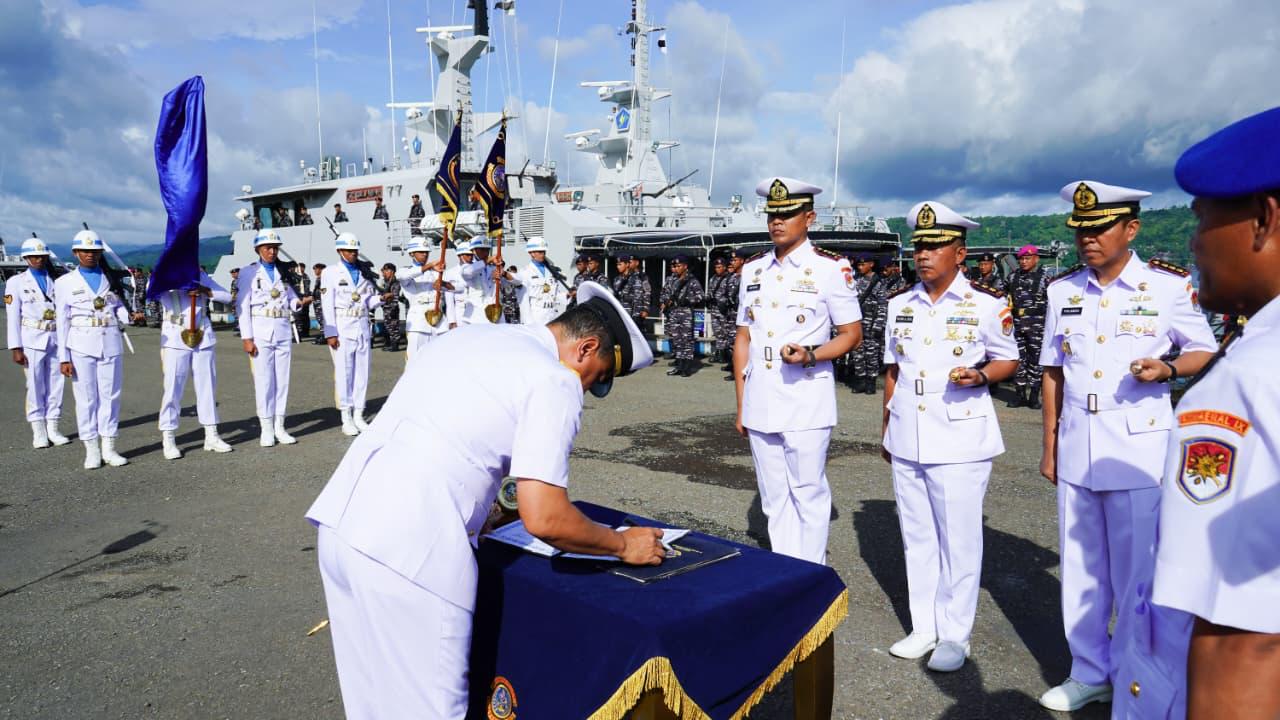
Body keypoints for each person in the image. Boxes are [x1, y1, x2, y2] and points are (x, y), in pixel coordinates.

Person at [304, 281, 663, 719]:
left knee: (373, 707)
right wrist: (623, 544)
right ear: (586, 348)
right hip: (412, 551)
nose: (590, 389)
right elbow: (546, 518)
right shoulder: (554, 379)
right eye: (601, 378)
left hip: (344, 525)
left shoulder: (469, 336)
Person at [1036, 180, 1215, 712]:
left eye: (1099, 229)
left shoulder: (1166, 287)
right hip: (1077, 442)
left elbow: (1204, 350)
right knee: (1081, 570)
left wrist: (1168, 368)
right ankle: (1089, 671)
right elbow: (1053, 372)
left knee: (1139, 574)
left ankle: (1137, 681)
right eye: (1081, 230)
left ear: (1131, 229)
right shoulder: (1063, 291)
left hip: (1138, 448)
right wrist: (1049, 443)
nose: (1087, 239)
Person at [1129, 105, 1280, 720]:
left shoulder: (1250, 378)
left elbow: (1242, 641)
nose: (1193, 242)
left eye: (1200, 219)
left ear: (1264, 219)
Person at [880, 201, 1019, 673]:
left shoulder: (985, 303)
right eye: (919, 246)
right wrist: (886, 426)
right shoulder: (900, 304)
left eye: (935, 246)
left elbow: (1007, 358)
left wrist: (981, 376)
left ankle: (955, 635)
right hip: (908, 431)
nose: (923, 254)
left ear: (959, 253)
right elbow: (894, 370)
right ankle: (924, 626)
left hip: (959, 435)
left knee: (958, 540)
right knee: (916, 535)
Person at [733, 176, 863, 564]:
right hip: (760, 398)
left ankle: (811, 575)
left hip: (806, 396)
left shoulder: (830, 268)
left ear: (809, 218)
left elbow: (851, 334)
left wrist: (811, 354)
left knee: (807, 491)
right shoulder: (753, 269)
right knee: (774, 497)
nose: (777, 222)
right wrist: (741, 404)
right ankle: (786, 572)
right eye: (772, 215)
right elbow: (743, 338)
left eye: (787, 214)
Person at [55, 230, 145, 469]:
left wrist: (131, 316)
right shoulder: (64, 283)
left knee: (111, 397)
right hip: (81, 344)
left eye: (94, 251)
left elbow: (118, 308)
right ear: (76, 253)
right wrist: (63, 357)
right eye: (85, 251)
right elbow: (62, 322)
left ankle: (109, 447)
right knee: (86, 399)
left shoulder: (110, 278)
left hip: (110, 341)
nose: (90, 255)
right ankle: (91, 449)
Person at [237, 230, 313, 447]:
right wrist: (247, 337)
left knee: (282, 380)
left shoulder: (284, 271)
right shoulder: (248, 272)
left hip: (282, 330)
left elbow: (290, 298)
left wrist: (299, 303)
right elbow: (242, 306)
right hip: (260, 331)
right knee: (264, 381)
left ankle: (280, 426)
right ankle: (266, 428)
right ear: (258, 250)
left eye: (275, 248)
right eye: (267, 248)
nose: (272, 252)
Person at [151, 269, 234, 459]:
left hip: (202, 334)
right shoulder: (164, 272)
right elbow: (152, 290)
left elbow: (227, 297)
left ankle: (211, 435)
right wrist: (178, 282)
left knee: (207, 387)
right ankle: (169, 437)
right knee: (173, 388)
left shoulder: (201, 275)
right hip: (175, 334)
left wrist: (204, 290)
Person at [6, 236, 71, 449]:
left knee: (56, 385)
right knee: (34, 385)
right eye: (33, 256)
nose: (38, 259)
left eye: (41, 256)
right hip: (31, 338)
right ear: (26, 258)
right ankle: (38, 429)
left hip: (56, 337)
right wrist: (16, 347)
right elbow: (12, 316)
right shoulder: (16, 282)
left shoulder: (57, 280)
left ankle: (53, 426)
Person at [321, 233, 382, 436]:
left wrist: (381, 299)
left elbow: (368, 300)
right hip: (342, 325)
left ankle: (359, 414)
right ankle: (346, 417)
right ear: (340, 251)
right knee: (344, 373)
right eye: (349, 250)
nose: (353, 254)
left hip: (362, 324)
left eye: (355, 250)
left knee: (362, 372)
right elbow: (327, 304)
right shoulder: (331, 272)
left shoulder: (364, 271)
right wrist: (330, 332)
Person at [1004, 245, 1049, 409]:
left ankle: (1034, 395)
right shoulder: (1012, 277)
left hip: (1037, 325)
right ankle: (1020, 394)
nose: (1023, 261)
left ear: (1036, 259)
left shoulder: (1045, 279)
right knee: (1018, 359)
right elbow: (1002, 297)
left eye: (1027, 258)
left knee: (1036, 360)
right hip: (1016, 325)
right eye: (1021, 259)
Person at [396, 239, 453, 360]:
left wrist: (443, 284)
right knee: (414, 359)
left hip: (439, 321)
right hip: (418, 323)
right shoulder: (405, 271)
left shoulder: (436, 272)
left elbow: (456, 289)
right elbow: (402, 276)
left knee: (439, 359)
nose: (425, 254)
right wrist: (430, 266)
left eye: (426, 252)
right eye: (421, 252)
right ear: (411, 253)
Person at [848, 253, 887, 394]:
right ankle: (860, 381)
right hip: (857, 324)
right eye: (858, 265)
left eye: (863, 264)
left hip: (872, 324)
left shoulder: (878, 282)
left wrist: (878, 324)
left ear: (871, 264)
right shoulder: (855, 281)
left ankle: (871, 382)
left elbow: (883, 305)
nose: (860, 267)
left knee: (871, 355)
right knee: (858, 353)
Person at [659, 255, 704, 376]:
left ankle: (687, 367)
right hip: (673, 312)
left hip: (686, 313)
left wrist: (688, 300)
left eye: (679, 266)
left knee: (687, 340)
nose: (677, 268)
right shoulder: (671, 279)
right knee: (677, 340)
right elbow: (664, 293)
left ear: (685, 266)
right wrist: (664, 302)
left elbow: (700, 296)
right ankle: (679, 366)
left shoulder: (691, 280)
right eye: (675, 266)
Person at [513, 236, 570, 326]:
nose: (543, 254)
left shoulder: (551, 271)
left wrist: (567, 295)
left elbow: (555, 293)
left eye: (544, 252)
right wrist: (528, 322)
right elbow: (523, 300)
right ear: (531, 253)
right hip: (536, 317)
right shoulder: (525, 272)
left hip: (552, 314)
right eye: (540, 252)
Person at [716, 250, 745, 379]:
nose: (732, 262)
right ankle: (734, 369)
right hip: (731, 315)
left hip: (744, 316)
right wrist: (724, 303)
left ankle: (740, 371)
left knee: (743, 344)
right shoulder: (730, 277)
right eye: (731, 260)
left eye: (735, 260)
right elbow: (720, 293)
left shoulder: (748, 276)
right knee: (732, 343)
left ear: (742, 261)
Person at [705, 254, 732, 365]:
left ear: (725, 267)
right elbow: (709, 291)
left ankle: (727, 355)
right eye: (716, 267)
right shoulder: (713, 279)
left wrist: (725, 303)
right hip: (714, 309)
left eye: (720, 267)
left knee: (726, 332)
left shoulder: (729, 278)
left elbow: (731, 294)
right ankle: (720, 354)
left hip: (724, 310)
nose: (718, 269)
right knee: (717, 332)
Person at [378, 263, 404, 351]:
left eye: (386, 270)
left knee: (394, 328)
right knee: (388, 326)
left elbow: (395, 296)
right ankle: (391, 344)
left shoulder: (395, 282)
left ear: (392, 271)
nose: (384, 272)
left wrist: (393, 308)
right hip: (386, 308)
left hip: (392, 308)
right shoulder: (386, 282)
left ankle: (395, 346)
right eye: (383, 270)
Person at [626, 255, 653, 325]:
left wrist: (646, 309)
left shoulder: (643, 277)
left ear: (637, 263)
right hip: (627, 310)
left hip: (638, 310)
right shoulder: (627, 276)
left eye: (630, 262)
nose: (628, 264)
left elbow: (647, 293)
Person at [293, 262, 312, 339]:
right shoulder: (294, 276)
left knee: (305, 315)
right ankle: (299, 333)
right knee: (297, 316)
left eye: (301, 267)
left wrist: (306, 297)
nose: (299, 269)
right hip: (297, 298)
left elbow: (307, 288)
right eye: (298, 268)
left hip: (305, 298)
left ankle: (305, 332)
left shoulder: (306, 277)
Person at [311, 263, 327, 345]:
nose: (315, 270)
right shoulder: (319, 278)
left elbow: (324, 291)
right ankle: (322, 334)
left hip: (321, 302)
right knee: (319, 319)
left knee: (322, 319)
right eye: (314, 269)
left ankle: (324, 336)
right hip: (317, 302)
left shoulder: (324, 279)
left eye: (316, 269)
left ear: (321, 269)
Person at [229, 267, 241, 337]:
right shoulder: (233, 281)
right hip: (234, 300)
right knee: (236, 315)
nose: (233, 275)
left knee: (241, 315)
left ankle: (241, 330)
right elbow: (232, 291)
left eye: (234, 273)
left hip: (240, 300)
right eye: (232, 274)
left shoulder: (241, 280)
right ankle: (239, 328)